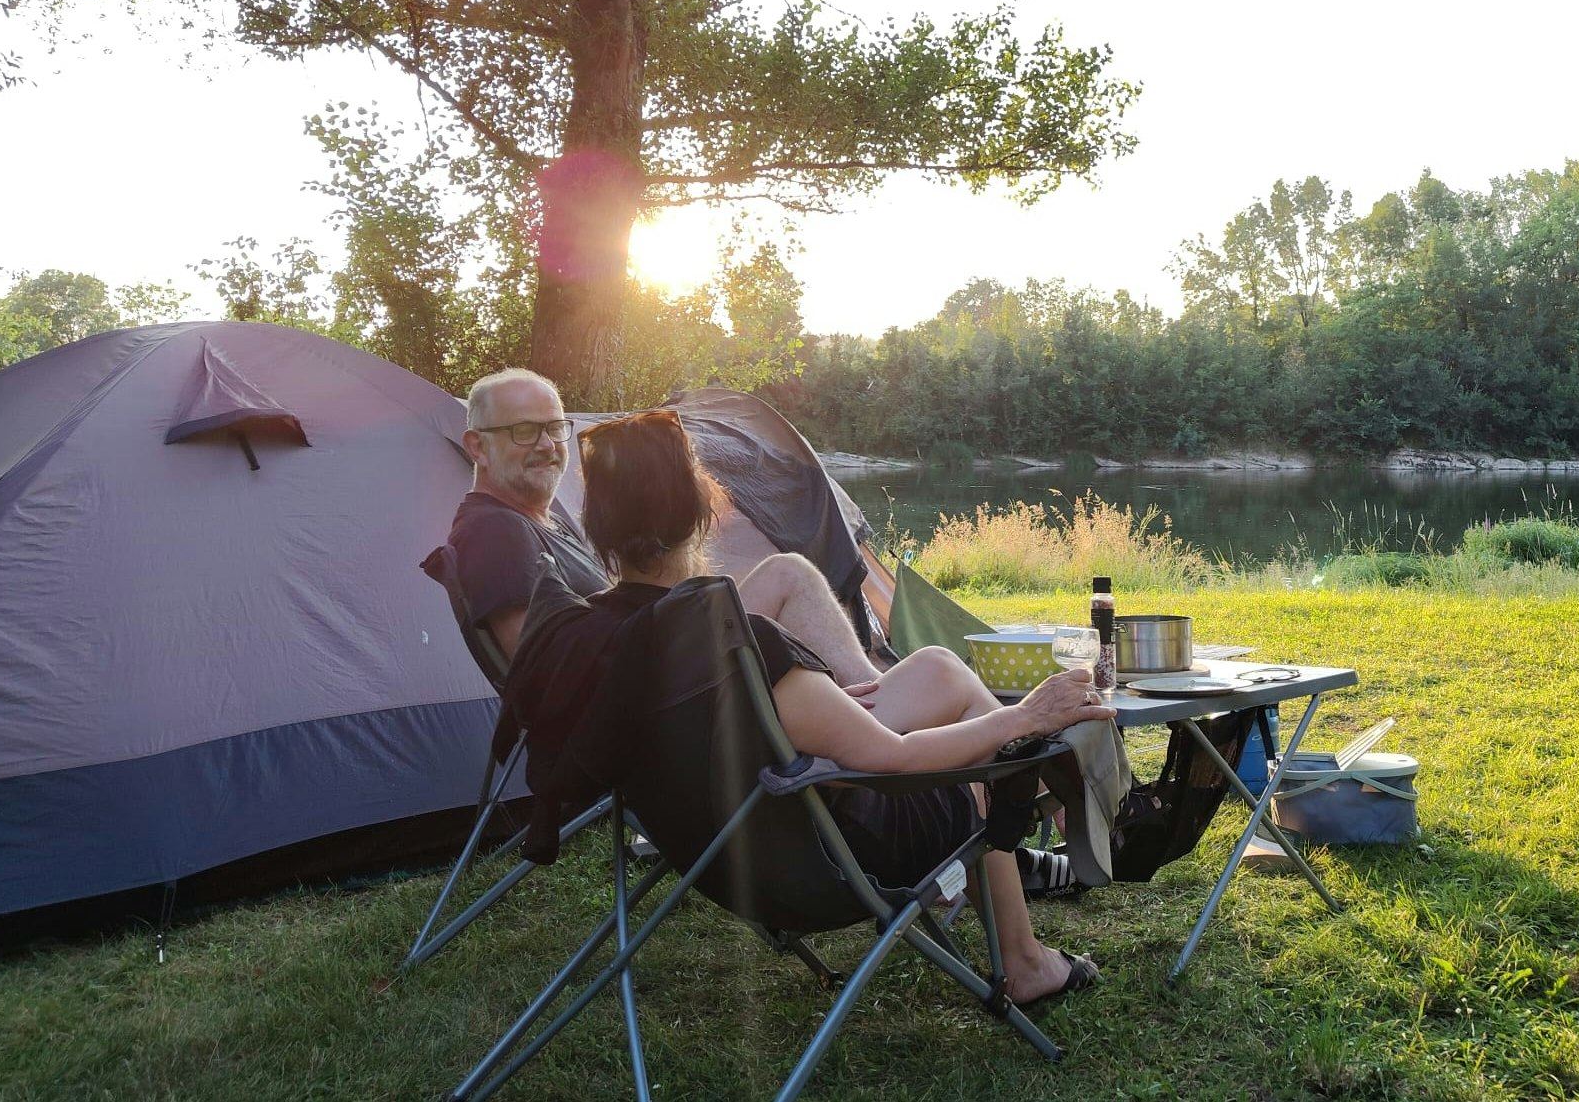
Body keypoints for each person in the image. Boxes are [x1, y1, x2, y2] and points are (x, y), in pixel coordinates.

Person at [574, 408, 1112, 1005]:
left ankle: (1050, 796)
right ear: (701, 507)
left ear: (597, 524)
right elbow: (897, 760)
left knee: (935, 666)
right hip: (829, 853)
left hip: (731, 852)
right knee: (986, 757)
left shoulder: (606, 635)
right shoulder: (739, 645)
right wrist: (1025, 716)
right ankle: (1027, 951)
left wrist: (815, 705)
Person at [447, 368, 881, 684]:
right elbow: (541, 670)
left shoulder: (538, 523)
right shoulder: (493, 530)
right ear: (477, 447)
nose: (546, 445)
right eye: (524, 431)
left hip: (654, 678)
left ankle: (863, 705)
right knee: (788, 575)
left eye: (556, 429)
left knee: (756, 584)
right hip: (649, 698)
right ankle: (874, 705)